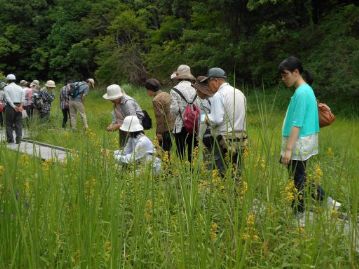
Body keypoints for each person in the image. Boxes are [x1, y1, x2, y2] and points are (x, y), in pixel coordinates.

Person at [278, 56, 341, 215]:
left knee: (297, 180)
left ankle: (299, 213)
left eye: (285, 74)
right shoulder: (306, 90)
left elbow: (297, 123)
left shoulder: (302, 92)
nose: (283, 78)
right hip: (303, 141)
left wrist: (288, 149)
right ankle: (327, 202)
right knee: (300, 177)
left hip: (298, 142)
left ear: (296, 72)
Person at [201, 67, 247, 177]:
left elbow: (217, 119)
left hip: (223, 138)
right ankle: (237, 191)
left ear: (215, 80)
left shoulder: (219, 95)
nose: (208, 86)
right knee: (237, 168)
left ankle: (224, 192)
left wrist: (206, 118)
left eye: (209, 82)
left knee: (222, 170)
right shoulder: (239, 93)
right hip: (241, 137)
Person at [170, 64, 198, 161]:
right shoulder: (196, 88)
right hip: (194, 124)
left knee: (180, 151)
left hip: (180, 125)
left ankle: (182, 171)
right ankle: (192, 171)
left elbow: (174, 110)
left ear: (178, 76)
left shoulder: (174, 90)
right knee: (193, 151)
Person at [145, 78, 174, 153]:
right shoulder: (167, 94)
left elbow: (160, 117)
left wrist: (159, 133)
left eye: (147, 90)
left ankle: (166, 165)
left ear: (150, 90)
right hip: (172, 127)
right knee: (168, 151)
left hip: (165, 130)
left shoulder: (156, 100)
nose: (147, 92)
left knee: (163, 152)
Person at [192, 76, 213, 152]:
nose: (196, 92)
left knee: (208, 159)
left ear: (201, 90)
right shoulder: (213, 97)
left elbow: (204, 121)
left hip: (208, 135)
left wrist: (199, 138)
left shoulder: (205, 102)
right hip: (217, 134)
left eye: (197, 90)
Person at [3, 74, 25, 144]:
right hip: (19, 105)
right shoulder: (20, 87)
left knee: (9, 124)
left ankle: (10, 140)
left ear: (7, 80)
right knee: (18, 123)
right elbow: (23, 98)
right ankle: (18, 140)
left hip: (10, 106)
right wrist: (21, 106)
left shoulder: (6, 88)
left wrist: (14, 106)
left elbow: (8, 98)